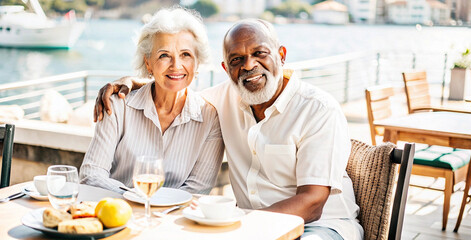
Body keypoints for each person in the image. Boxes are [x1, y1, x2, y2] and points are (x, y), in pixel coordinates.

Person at [94, 19, 363, 239]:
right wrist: (129, 81)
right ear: (226, 68)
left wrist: (248, 229)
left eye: (260, 53)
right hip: (245, 227)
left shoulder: (317, 109)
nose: (248, 65)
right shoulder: (222, 100)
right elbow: (175, 84)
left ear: (281, 55)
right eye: (237, 60)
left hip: (321, 227)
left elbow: (313, 202)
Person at [80, 7, 224, 195]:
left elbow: (197, 190)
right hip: (119, 214)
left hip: (174, 220)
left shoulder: (211, 118)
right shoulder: (117, 105)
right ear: (148, 62)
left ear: (197, 63)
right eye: (164, 55)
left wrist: (152, 206)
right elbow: (91, 175)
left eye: (185, 55)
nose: (176, 66)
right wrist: (139, 199)